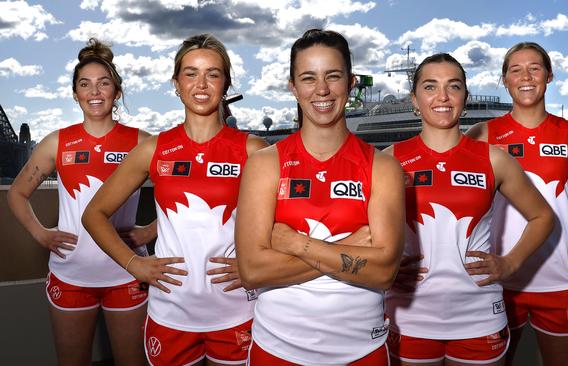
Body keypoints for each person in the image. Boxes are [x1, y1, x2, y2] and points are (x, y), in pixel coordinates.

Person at [82, 33, 267, 366]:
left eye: (212, 73)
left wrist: (259, 269)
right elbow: (94, 213)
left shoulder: (253, 150)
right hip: (171, 312)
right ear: (176, 83)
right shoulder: (155, 149)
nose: (201, 83)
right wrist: (134, 263)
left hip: (238, 310)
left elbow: (286, 223)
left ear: (225, 83)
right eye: (191, 73)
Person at [235, 29, 405, 365]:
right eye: (308, 78)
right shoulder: (264, 164)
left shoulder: (383, 166)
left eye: (333, 76)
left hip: (361, 349)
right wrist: (352, 248)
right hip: (278, 348)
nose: (322, 90)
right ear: (293, 87)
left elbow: (384, 273)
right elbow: (252, 271)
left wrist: (299, 244)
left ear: (351, 82)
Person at [466, 42, 568, 366]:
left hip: (561, 279)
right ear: (504, 79)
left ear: (549, 75)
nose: (525, 76)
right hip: (500, 280)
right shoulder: (484, 133)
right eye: (515, 69)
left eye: (534, 68)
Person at [384, 53, 554, 366]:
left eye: (454, 86)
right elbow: (364, 229)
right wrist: (386, 270)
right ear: (415, 99)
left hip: (480, 314)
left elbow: (543, 217)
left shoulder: (494, 159)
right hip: (410, 315)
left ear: (465, 96)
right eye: (430, 87)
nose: (443, 97)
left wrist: (511, 263)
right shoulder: (390, 160)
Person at [7, 38, 154, 365]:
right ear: (75, 94)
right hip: (71, 275)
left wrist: (150, 230)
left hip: (127, 274)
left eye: (104, 84)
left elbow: (190, 186)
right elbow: (17, 193)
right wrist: (41, 233)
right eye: (85, 85)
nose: (95, 92)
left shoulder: (142, 142)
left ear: (116, 91)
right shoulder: (58, 141)